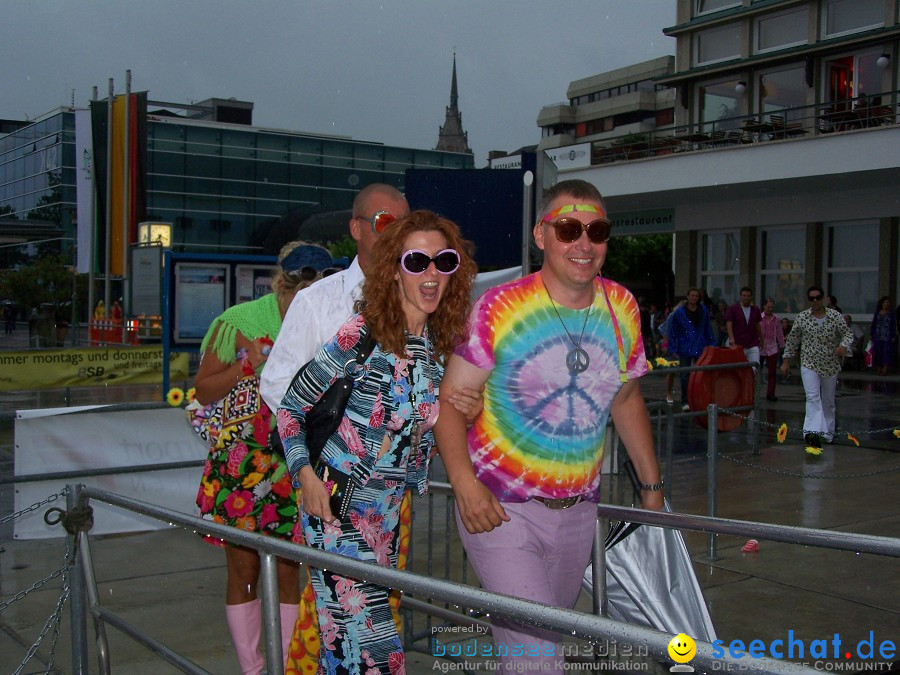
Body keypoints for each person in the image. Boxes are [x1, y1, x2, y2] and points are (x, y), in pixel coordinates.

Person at [433, 179, 663, 671]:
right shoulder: (497, 307)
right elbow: (450, 405)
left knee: (536, 650)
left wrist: (652, 488)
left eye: (596, 230)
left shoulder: (621, 307)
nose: (583, 242)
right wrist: (464, 486)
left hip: (579, 512)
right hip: (502, 512)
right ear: (542, 235)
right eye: (568, 228)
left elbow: (625, 397)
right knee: (539, 660)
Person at [278, 210, 476, 672]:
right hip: (336, 511)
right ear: (393, 271)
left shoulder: (435, 346)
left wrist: (471, 409)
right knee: (378, 655)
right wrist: (304, 476)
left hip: (386, 517)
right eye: (416, 263)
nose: (431, 275)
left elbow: (421, 425)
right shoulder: (362, 334)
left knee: (346, 651)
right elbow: (290, 411)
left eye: (442, 262)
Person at [193, 242, 334, 674]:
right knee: (244, 570)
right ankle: (253, 669)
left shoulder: (331, 322)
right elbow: (202, 390)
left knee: (291, 570)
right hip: (240, 467)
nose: (306, 302)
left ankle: (285, 666)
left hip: (296, 462)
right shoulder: (237, 324)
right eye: (299, 293)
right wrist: (246, 365)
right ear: (283, 287)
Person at [780, 285, 854, 448]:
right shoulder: (802, 317)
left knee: (828, 400)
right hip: (809, 363)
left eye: (818, 297)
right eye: (812, 298)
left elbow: (847, 334)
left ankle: (827, 433)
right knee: (813, 397)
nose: (815, 301)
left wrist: (843, 346)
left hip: (830, 364)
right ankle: (811, 433)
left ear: (823, 298)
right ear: (809, 300)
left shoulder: (835, 316)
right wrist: (786, 361)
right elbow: (793, 340)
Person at [667, 288, 717, 411]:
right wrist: (672, 349)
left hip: (700, 346)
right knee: (684, 375)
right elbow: (673, 331)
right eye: (692, 295)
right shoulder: (679, 312)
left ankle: (700, 399)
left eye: (696, 296)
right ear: (688, 297)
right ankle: (685, 401)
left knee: (702, 374)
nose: (694, 298)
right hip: (684, 347)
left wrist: (712, 343)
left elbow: (707, 328)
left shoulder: (704, 310)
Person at [726, 286, 764, 364]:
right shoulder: (733, 309)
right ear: (740, 296)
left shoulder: (755, 309)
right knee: (739, 367)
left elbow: (758, 325)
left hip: (752, 343)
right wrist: (731, 338)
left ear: (751, 297)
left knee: (754, 366)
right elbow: (729, 324)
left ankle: (753, 375)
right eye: (744, 296)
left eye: (748, 296)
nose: (746, 298)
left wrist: (762, 339)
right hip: (738, 343)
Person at [760, 298, 785, 401]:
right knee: (756, 371)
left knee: (772, 372)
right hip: (760, 347)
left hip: (772, 348)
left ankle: (770, 393)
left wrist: (782, 344)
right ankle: (753, 393)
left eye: (772, 307)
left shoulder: (776, 319)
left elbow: (779, 332)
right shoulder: (759, 318)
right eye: (768, 307)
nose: (770, 309)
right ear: (764, 306)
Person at [870, 296, 897, 376]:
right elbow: (874, 324)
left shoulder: (891, 313)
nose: (888, 304)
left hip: (887, 336)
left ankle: (885, 369)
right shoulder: (877, 313)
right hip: (877, 336)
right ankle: (879, 369)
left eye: (889, 302)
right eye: (886, 302)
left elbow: (893, 325)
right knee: (878, 352)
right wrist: (872, 334)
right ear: (882, 303)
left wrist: (893, 336)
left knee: (886, 352)